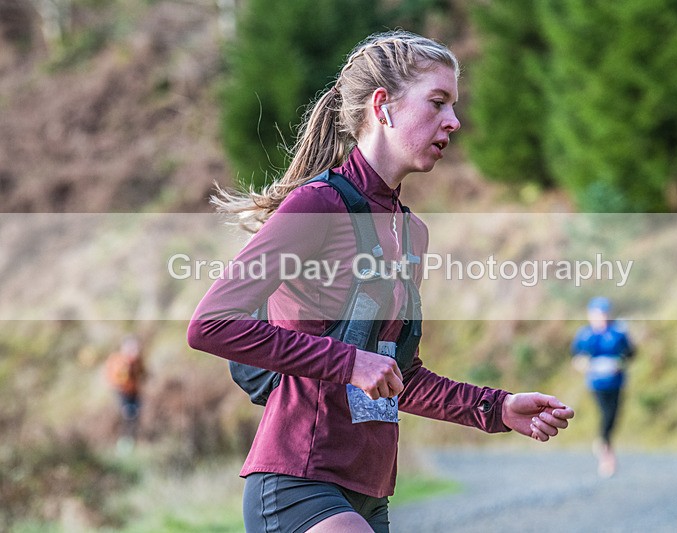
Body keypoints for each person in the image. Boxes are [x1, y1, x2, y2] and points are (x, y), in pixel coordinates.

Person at [188, 30, 574, 533]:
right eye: (437, 103)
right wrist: (349, 361)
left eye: (453, 106)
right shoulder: (318, 206)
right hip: (300, 481)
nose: (453, 122)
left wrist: (497, 408)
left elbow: (399, 376)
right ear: (383, 107)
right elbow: (211, 325)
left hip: (371, 492)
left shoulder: (410, 232)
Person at [571, 297, 635, 478]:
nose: (602, 317)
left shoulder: (618, 332)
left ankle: (604, 446)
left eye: (604, 313)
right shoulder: (585, 334)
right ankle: (606, 453)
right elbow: (576, 357)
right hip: (596, 383)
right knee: (605, 415)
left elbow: (630, 354)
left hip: (616, 381)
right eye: (598, 314)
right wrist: (582, 364)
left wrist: (619, 362)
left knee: (614, 416)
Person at [105, 335, 146, 450]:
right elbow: (115, 379)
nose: (135, 351)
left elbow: (142, 373)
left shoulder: (138, 361)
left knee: (136, 416)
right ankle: (123, 442)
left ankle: (131, 441)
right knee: (128, 415)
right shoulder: (119, 360)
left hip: (135, 392)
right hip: (122, 393)